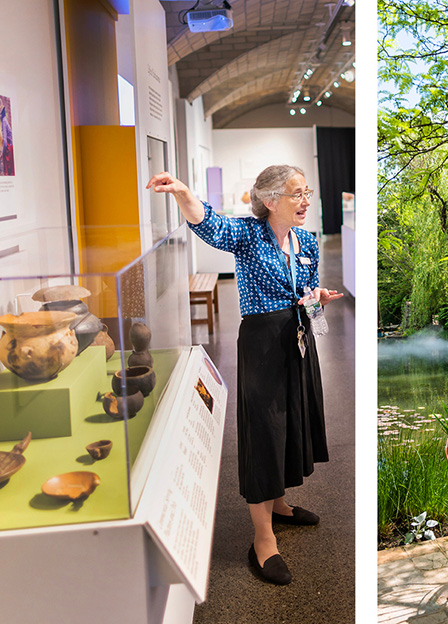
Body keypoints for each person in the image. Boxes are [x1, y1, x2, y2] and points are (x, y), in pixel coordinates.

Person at [146, 166, 344, 586]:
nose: (306, 200)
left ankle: (280, 504)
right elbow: (208, 222)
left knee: (291, 426)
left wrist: (316, 301)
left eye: (307, 191)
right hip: (262, 344)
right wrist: (181, 190)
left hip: (298, 342)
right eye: (297, 193)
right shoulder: (248, 235)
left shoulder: (306, 240)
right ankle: (263, 538)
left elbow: (307, 296)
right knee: (264, 431)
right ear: (271, 200)